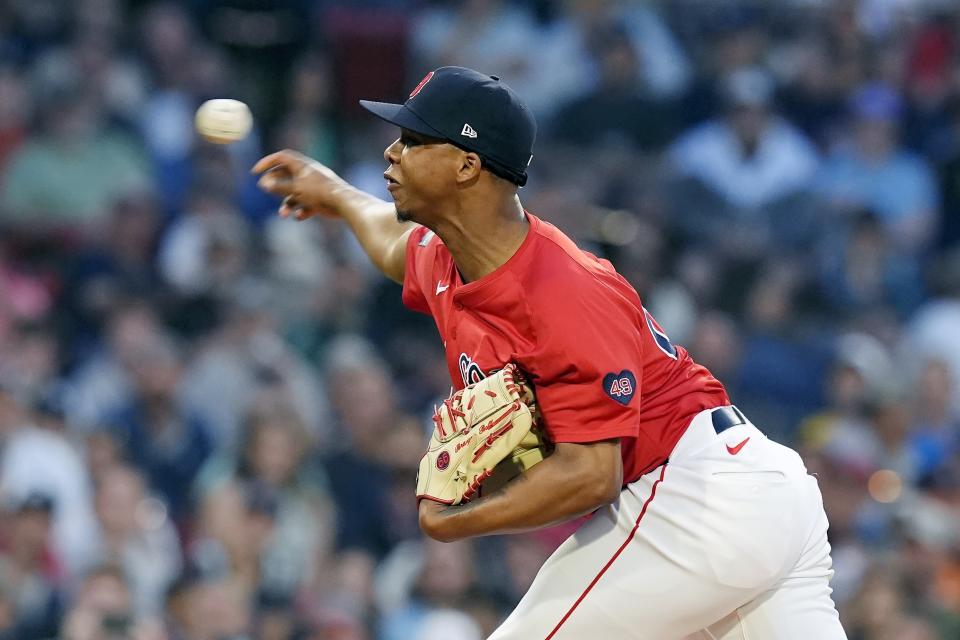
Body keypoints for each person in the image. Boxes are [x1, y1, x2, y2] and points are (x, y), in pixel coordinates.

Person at [253, 66, 847, 639]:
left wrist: (454, 522)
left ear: (466, 165)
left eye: (412, 139)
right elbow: (390, 238)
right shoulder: (448, 257)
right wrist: (332, 192)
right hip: (750, 493)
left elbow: (592, 475)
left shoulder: (562, 292)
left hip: (697, 491)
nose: (391, 152)